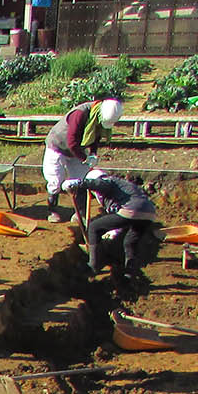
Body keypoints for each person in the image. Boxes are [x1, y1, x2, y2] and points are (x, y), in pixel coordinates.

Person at [67, 168, 159, 298]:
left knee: (94, 227)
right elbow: (118, 215)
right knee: (129, 242)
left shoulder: (107, 181)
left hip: (132, 209)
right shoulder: (123, 186)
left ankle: (93, 266)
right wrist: (115, 231)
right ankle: (129, 275)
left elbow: (99, 184)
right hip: (149, 213)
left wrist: (79, 183)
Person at [43, 98, 122, 224]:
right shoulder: (80, 114)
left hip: (76, 149)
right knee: (55, 180)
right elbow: (72, 142)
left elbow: (96, 137)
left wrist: (93, 154)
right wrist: (85, 158)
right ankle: (52, 210)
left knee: (82, 180)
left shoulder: (97, 119)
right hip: (58, 145)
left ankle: (80, 213)